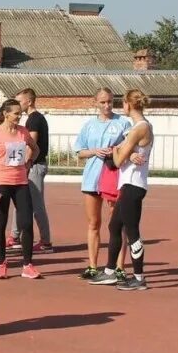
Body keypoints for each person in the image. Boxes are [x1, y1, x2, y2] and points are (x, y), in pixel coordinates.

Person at [91, 89, 152, 291]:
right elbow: (125, 150)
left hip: (133, 185)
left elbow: (116, 161)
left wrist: (117, 150)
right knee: (114, 226)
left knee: (132, 231)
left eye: (122, 103)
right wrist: (126, 151)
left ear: (128, 104)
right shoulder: (136, 129)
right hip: (127, 185)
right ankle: (109, 272)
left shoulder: (139, 128)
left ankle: (139, 277)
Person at [73, 88, 130, 281]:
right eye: (103, 102)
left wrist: (115, 150)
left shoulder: (123, 123)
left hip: (113, 176)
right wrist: (94, 151)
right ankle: (92, 265)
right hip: (92, 177)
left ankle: (119, 267)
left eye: (110, 102)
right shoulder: (89, 125)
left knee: (117, 224)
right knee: (93, 223)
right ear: (95, 102)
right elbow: (79, 151)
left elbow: (130, 146)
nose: (107, 106)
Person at [0, 99, 41, 280]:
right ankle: (1, 264)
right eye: (16, 113)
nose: (19, 116)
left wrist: (29, 161)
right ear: (6, 114)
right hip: (1, 183)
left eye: (20, 113)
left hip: (21, 183)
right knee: (0, 223)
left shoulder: (23, 132)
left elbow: (35, 148)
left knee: (26, 223)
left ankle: (27, 265)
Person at [8, 88, 52, 253]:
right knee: (20, 201)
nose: (18, 106)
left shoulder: (34, 120)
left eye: (20, 102)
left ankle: (46, 241)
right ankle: (14, 236)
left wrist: (25, 164)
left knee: (36, 204)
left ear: (29, 101)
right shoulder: (33, 119)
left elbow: (30, 145)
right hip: (31, 165)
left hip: (34, 166)